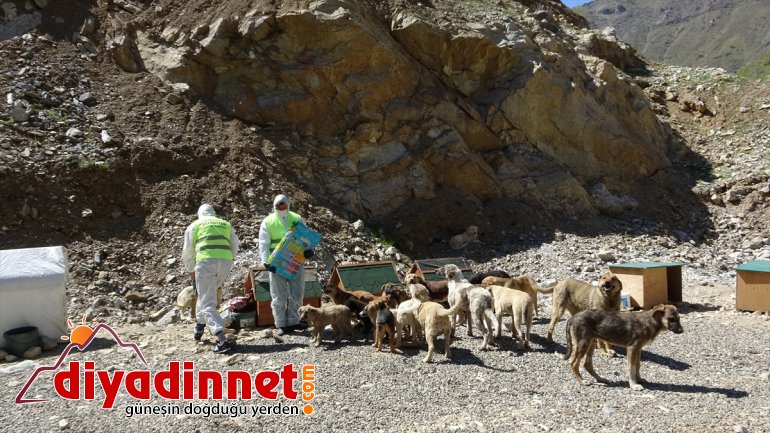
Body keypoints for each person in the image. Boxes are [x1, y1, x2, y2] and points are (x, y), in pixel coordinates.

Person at [182, 204, 240, 354]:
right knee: (207, 293)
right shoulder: (225, 224)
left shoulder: (195, 225)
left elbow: (188, 252)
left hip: (206, 262)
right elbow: (235, 244)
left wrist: (191, 271)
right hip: (225, 262)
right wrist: (230, 259)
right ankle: (199, 327)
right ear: (213, 213)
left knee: (208, 302)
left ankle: (222, 340)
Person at [259, 194, 314, 336]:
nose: (281, 207)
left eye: (283, 205)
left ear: (288, 204)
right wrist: (266, 261)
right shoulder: (268, 221)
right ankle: (281, 324)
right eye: (279, 205)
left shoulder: (296, 218)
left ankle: (294, 321)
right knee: (278, 295)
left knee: (297, 292)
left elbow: (306, 237)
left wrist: (309, 250)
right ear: (274, 206)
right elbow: (263, 244)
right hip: (277, 262)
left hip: (295, 260)